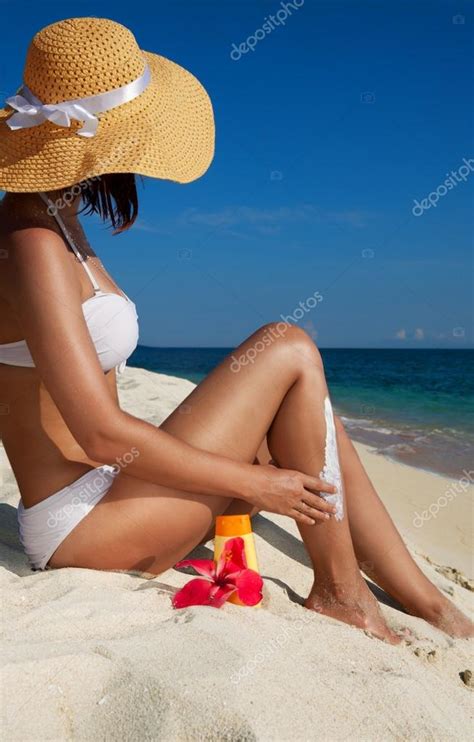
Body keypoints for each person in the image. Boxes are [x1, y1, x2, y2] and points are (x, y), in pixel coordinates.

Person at [0, 17, 471, 643]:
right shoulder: (30, 237)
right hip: (83, 528)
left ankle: (430, 604)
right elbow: (98, 431)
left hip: (117, 493)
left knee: (311, 409)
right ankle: (341, 594)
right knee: (289, 345)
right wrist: (258, 484)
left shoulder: (59, 219)